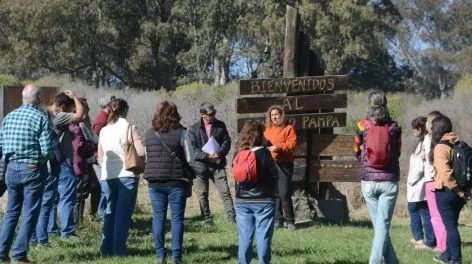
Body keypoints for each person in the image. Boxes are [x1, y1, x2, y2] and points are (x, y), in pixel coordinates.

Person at [0, 84, 52, 263]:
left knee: (11, 212)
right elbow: (47, 150)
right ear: (38, 98)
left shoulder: (9, 117)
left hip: (11, 168)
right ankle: (19, 255)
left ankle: (1, 252)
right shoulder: (40, 118)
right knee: (30, 213)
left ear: (23, 97)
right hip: (32, 169)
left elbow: (1, 146)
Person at [354, 90, 402, 264]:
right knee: (382, 226)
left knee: (380, 226)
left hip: (368, 181)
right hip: (389, 181)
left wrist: (364, 159)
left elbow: (356, 150)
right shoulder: (395, 127)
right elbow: (398, 152)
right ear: (386, 104)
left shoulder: (362, 125)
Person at [143, 101, 193, 264]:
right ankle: (176, 257)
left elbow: (147, 156)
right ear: (175, 113)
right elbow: (190, 158)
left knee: (158, 218)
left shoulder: (149, 133)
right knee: (177, 219)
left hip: (155, 181)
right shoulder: (181, 132)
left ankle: (160, 255)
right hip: (176, 180)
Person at [33, 90, 85, 246]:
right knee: (66, 198)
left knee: (49, 199)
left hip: (49, 163)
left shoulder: (45, 114)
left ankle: (48, 231)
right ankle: (67, 232)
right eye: (70, 109)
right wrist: (76, 97)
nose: (72, 112)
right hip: (63, 163)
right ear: (62, 107)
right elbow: (80, 115)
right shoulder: (59, 116)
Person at [97, 98, 144, 256]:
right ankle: (119, 250)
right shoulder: (129, 127)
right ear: (125, 110)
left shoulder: (104, 130)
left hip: (107, 175)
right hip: (127, 174)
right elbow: (141, 152)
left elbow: (100, 156)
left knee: (110, 212)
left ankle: (105, 249)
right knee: (123, 214)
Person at [234, 121, 279, 264]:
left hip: (242, 201)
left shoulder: (238, 152)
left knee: (244, 237)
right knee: (263, 237)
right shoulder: (265, 153)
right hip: (264, 201)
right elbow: (275, 174)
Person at [187, 102, 235, 226]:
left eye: (214, 112)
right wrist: (207, 156)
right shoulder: (193, 129)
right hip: (200, 167)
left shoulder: (220, 125)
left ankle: (232, 219)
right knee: (202, 194)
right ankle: (207, 220)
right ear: (202, 114)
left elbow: (227, 142)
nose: (213, 115)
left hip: (218, 164)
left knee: (225, 192)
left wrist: (219, 154)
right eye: (210, 114)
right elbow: (194, 151)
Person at [430, 115, 468, 264]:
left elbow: (445, 174)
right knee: (451, 223)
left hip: (446, 191)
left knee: (450, 226)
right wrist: (463, 192)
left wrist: (457, 190)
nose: (431, 131)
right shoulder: (458, 143)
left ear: (439, 129)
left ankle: (456, 259)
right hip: (459, 191)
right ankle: (447, 254)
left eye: (433, 128)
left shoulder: (440, 146)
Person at [263, 105, 297, 230]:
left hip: (285, 164)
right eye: (272, 115)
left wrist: (278, 147)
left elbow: (292, 145)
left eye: (276, 114)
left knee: (284, 193)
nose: (274, 117)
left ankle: (290, 221)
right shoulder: (267, 130)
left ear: (281, 115)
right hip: (271, 165)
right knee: (274, 194)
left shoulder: (289, 128)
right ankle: (278, 220)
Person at [407, 116, 435, 249]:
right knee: (419, 210)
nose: (413, 131)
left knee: (421, 211)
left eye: (414, 128)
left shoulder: (425, 143)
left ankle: (424, 239)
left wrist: (412, 180)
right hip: (417, 183)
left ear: (420, 129)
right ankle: (419, 237)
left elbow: (419, 166)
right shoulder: (421, 142)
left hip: (418, 183)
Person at [70, 98, 96, 225]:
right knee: (78, 195)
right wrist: (91, 146)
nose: (88, 111)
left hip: (84, 164)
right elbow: (81, 146)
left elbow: (92, 139)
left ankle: (78, 221)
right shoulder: (76, 125)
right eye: (85, 108)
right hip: (78, 164)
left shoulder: (83, 124)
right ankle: (76, 223)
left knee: (82, 193)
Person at [424, 111, 446, 253]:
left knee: (435, 216)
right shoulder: (446, 139)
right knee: (445, 215)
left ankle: (441, 245)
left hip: (431, 180)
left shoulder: (428, 139)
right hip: (444, 180)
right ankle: (446, 242)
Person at [93, 95, 115, 221]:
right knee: (105, 187)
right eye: (112, 103)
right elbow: (96, 140)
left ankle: (105, 213)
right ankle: (102, 215)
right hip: (103, 158)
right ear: (108, 105)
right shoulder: (101, 120)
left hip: (108, 157)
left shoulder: (107, 118)